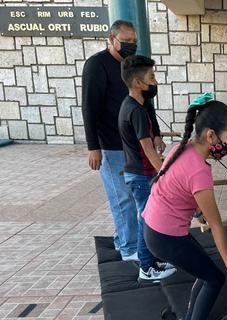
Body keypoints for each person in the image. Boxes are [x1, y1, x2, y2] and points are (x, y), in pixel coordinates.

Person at [143, 94, 227, 320]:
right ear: (211, 136)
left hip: (156, 228)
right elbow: (217, 226)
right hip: (165, 236)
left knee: (205, 272)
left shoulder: (183, 147)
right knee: (215, 278)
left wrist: (196, 210)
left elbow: (178, 187)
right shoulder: (199, 171)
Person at [81, 20, 146, 262]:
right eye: (126, 41)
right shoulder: (97, 65)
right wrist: (93, 147)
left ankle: (130, 239)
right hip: (110, 145)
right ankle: (128, 247)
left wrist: (156, 133)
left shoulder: (133, 67)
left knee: (138, 195)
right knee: (123, 198)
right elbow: (89, 107)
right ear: (112, 39)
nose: (131, 45)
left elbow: (145, 100)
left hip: (135, 143)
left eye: (134, 42)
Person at [119, 55, 176, 282]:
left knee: (147, 217)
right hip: (141, 176)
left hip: (138, 173)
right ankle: (146, 267)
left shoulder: (133, 106)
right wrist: (166, 173)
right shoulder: (136, 111)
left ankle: (151, 260)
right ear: (137, 83)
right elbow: (148, 151)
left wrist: (157, 136)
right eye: (151, 77)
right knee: (146, 218)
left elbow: (150, 142)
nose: (155, 81)